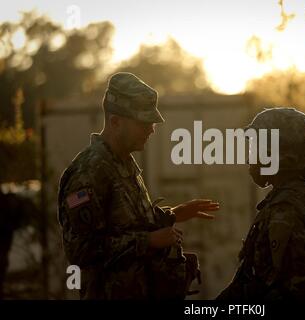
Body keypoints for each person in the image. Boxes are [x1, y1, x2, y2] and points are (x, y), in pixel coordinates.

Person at [57, 72, 219, 299]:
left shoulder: (122, 162)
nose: (151, 130)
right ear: (115, 122)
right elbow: (81, 250)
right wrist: (149, 240)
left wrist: (173, 215)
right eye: (144, 123)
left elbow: (127, 222)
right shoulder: (88, 173)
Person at [217, 107, 305, 300]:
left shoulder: (286, 210)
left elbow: (296, 290)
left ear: (276, 153)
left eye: (256, 149)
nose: (250, 158)